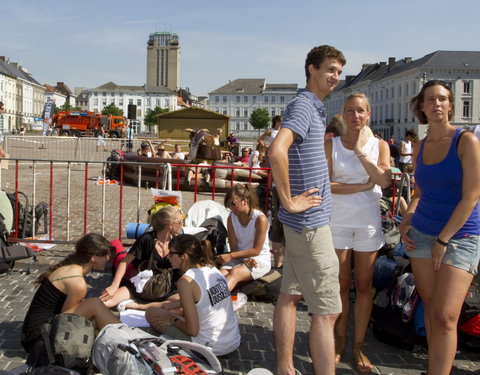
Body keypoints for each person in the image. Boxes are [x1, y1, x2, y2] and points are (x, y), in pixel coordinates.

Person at [269, 45, 346, 375]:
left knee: (289, 296)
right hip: (310, 225)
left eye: (339, 72)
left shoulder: (314, 108)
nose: (336, 77)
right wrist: (289, 200)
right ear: (311, 69)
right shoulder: (304, 105)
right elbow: (276, 150)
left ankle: (285, 367)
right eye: (330, 69)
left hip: (301, 224)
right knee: (327, 312)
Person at [399, 80, 480, 375]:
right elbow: (419, 193)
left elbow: (472, 196)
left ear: (450, 105)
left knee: (446, 316)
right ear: (421, 106)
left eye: (442, 99)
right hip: (421, 234)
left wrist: (443, 240)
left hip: (460, 236)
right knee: (432, 310)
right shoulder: (420, 146)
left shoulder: (466, 141)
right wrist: (407, 220)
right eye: (430, 99)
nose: (436, 104)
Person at [325, 93, 391, 373]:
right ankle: (340, 339)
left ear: (368, 114)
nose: (355, 116)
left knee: (364, 286)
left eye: (360, 111)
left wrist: (362, 153)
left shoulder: (380, 145)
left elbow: (384, 180)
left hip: (366, 222)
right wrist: (363, 186)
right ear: (343, 114)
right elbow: (327, 185)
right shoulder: (331, 145)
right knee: (340, 285)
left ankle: (359, 345)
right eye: (350, 111)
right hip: (338, 221)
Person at [21, 233, 120, 353]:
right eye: (105, 255)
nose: (108, 258)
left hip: (33, 332)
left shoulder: (69, 267)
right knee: (95, 304)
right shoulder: (77, 282)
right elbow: (66, 321)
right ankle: (126, 337)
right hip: (39, 338)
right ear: (93, 257)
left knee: (98, 326)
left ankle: (123, 336)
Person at [144, 234, 241, 356]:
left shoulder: (185, 281)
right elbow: (205, 298)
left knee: (151, 313)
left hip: (208, 348)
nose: (168, 257)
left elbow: (192, 330)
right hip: (232, 341)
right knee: (173, 301)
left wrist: (172, 320)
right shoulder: (212, 269)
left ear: (184, 257)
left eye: (171, 253)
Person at [100, 206, 183, 310]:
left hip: (169, 289)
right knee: (106, 301)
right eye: (180, 221)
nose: (182, 224)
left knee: (184, 304)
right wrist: (114, 286)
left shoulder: (178, 241)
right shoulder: (147, 239)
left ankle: (139, 306)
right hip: (141, 287)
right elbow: (124, 262)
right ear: (170, 225)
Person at [216, 184, 271, 291]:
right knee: (219, 275)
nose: (230, 207)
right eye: (228, 204)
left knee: (235, 273)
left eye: (233, 203)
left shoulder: (260, 219)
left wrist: (232, 256)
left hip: (260, 258)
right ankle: (206, 300)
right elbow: (234, 247)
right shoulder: (231, 218)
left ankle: (213, 301)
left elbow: (256, 250)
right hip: (239, 257)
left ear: (244, 201)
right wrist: (240, 258)